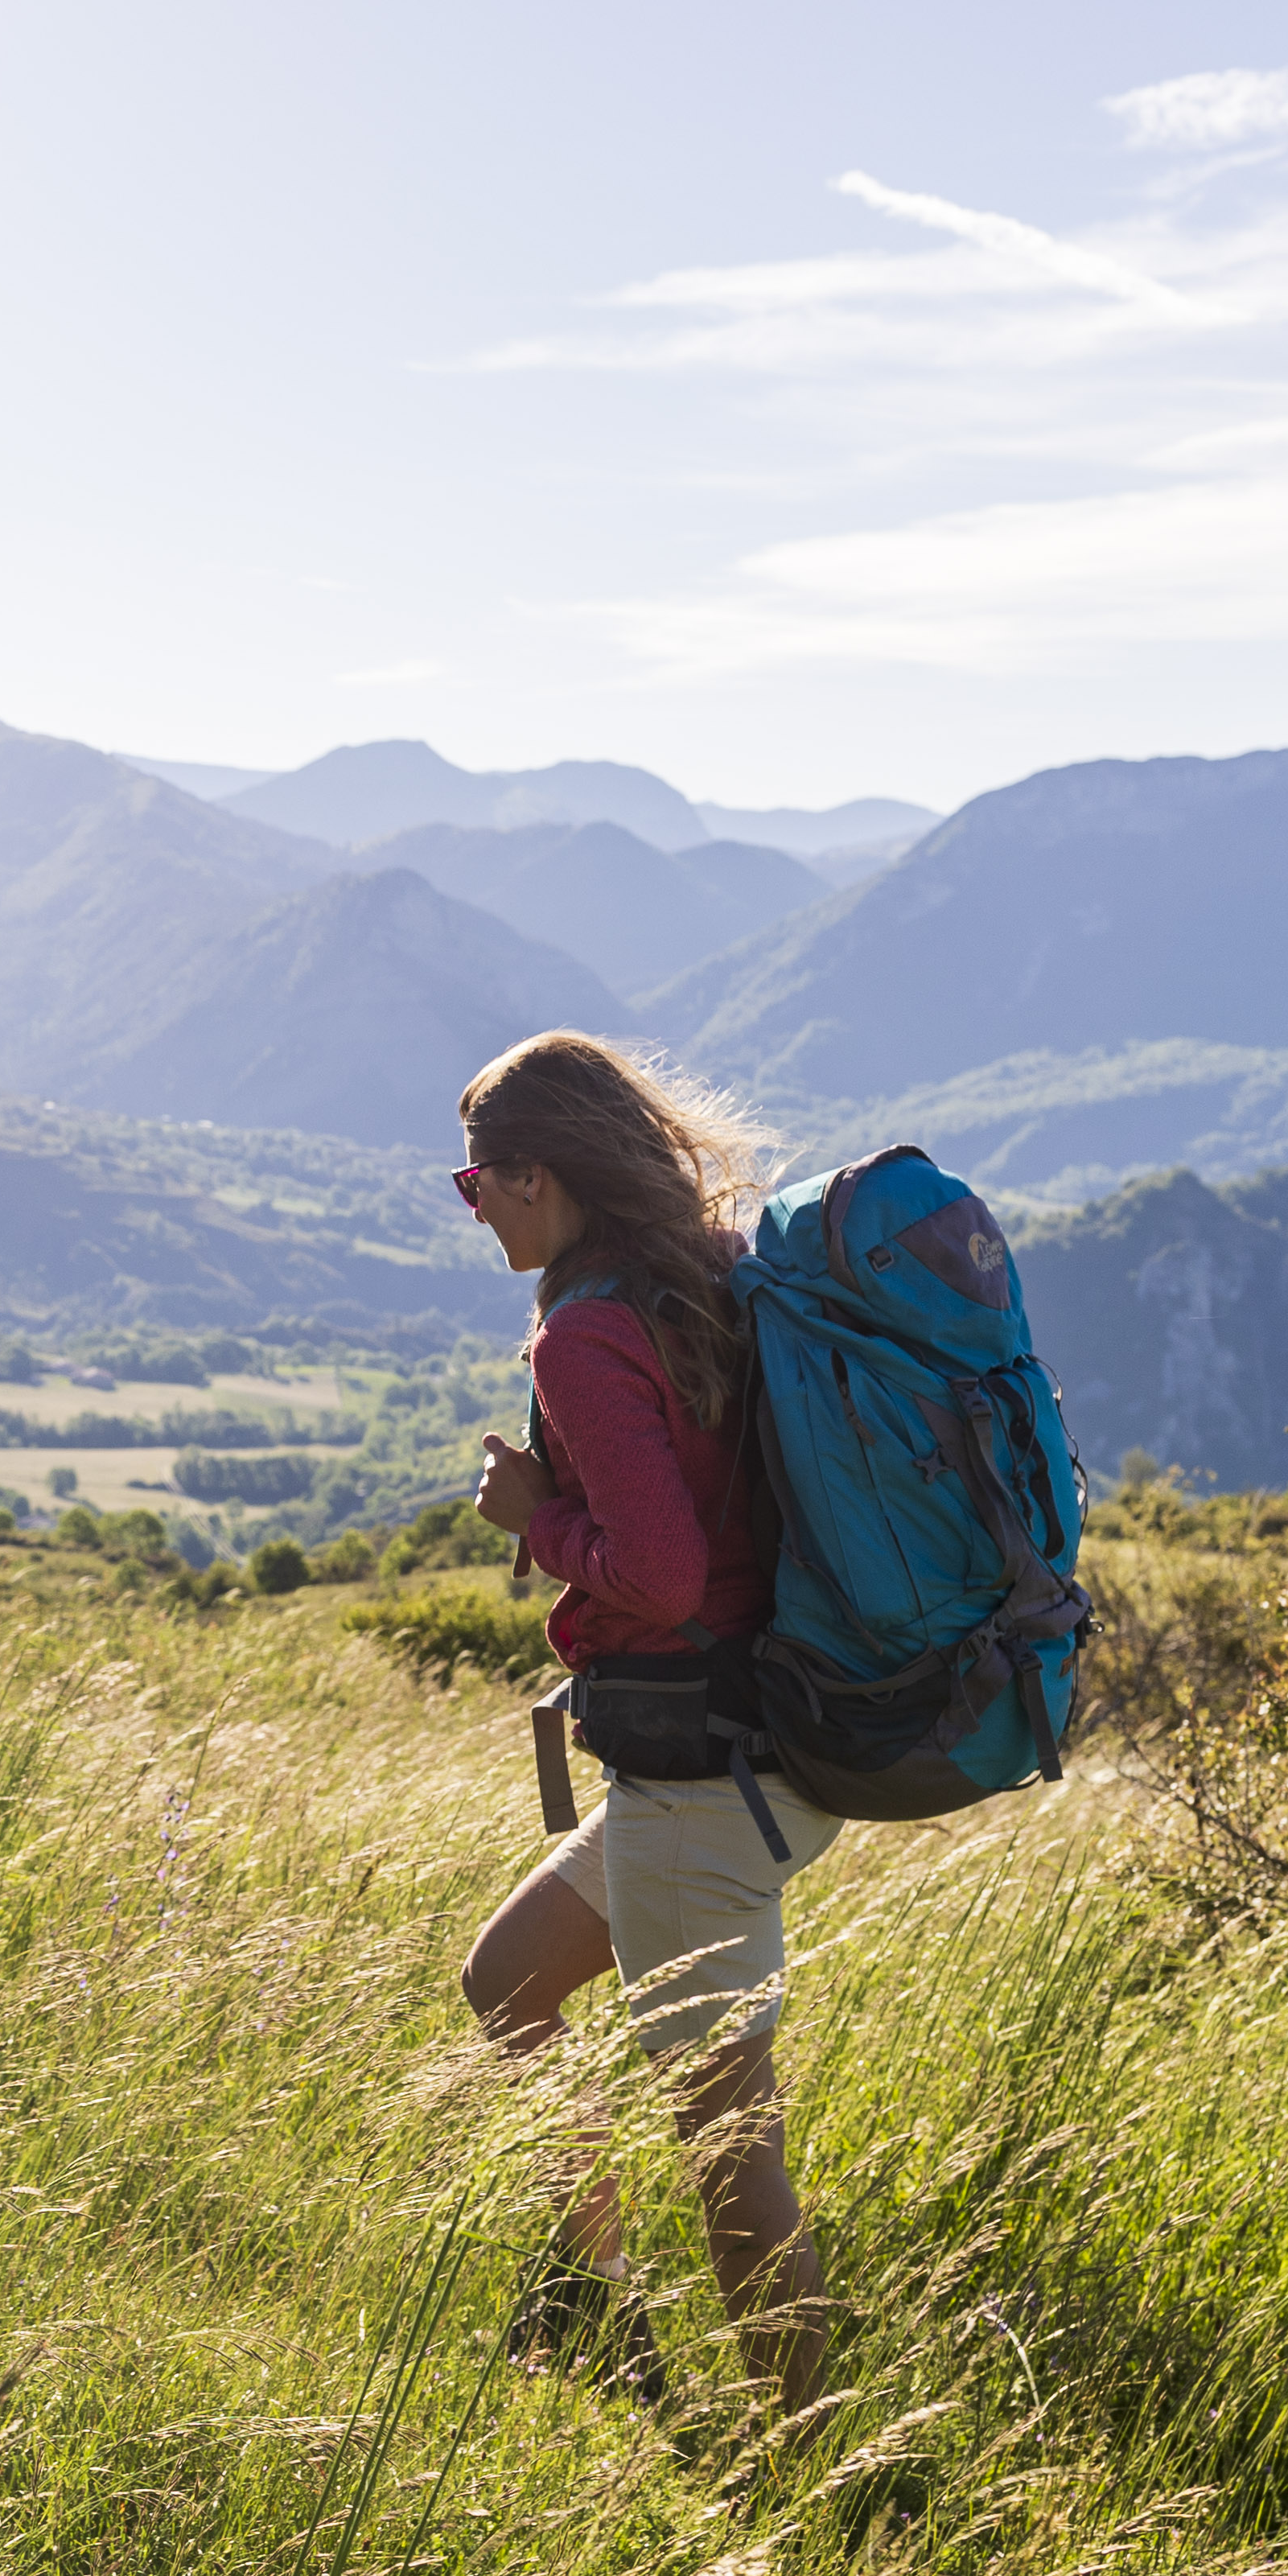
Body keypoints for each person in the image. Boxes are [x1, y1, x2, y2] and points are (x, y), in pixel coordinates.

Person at [446, 1029, 836, 2414]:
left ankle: (826, 2470)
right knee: (508, 1980)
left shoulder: (589, 1331)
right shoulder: (717, 1270)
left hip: (695, 1773)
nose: (471, 1202)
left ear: (539, 1177)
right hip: (755, 1745)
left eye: (475, 1178)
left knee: (728, 2139)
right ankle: (598, 2309)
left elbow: (660, 1572)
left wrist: (531, 1515)